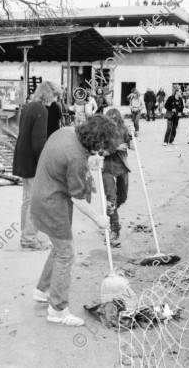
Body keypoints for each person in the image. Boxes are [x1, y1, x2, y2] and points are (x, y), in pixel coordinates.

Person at [30, 114, 114, 326]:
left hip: (42, 194)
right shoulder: (76, 157)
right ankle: (57, 310)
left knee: (59, 249)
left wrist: (89, 161)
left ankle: (43, 290)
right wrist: (98, 219)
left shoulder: (66, 132)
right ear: (96, 140)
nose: (103, 149)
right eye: (102, 144)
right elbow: (78, 198)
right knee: (66, 255)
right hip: (52, 204)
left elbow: (67, 161)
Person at [13, 81, 59, 251]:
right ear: (48, 94)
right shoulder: (41, 110)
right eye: (55, 96)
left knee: (27, 198)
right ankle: (29, 238)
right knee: (35, 201)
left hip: (22, 157)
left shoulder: (28, 107)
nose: (55, 100)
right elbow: (39, 142)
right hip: (32, 161)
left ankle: (25, 233)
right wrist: (45, 163)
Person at [103, 108, 133, 245]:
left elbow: (132, 147)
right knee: (111, 199)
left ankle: (110, 213)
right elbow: (99, 152)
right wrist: (114, 149)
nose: (113, 122)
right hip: (107, 169)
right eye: (111, 120)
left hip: (122, 167)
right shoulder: (102, 132)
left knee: (123, 197)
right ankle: (114, 228)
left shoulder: (123, 129)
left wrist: (132, 136)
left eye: (115, 119)